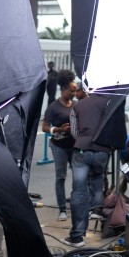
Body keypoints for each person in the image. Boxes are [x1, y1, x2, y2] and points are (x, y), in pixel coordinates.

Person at [63, 92, 113, 248]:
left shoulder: (78, 105)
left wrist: (83, 140)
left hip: (82, 150)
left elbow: (74, 131)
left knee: (78, 191)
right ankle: (96, 208)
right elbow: (113, 126)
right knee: (97, 177)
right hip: (102, 150)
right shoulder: (109, 103)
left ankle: (77, 237)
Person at [42, 69, 77, 221]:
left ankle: (77, 204)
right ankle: (62, 209)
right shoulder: (53, 107)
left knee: (79, 176)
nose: (74, 94)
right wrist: (58, 129)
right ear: (63, 89)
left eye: (75, 91)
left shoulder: (75, 105)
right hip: (59, 146)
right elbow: (44, 127)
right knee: (61, 177)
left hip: (74, 146)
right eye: (71, 91)